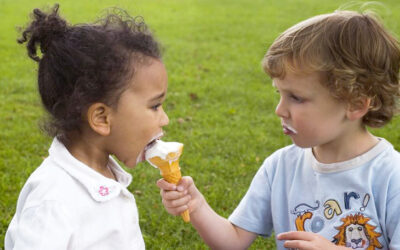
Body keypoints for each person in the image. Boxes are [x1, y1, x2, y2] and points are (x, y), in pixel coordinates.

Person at [157, 10, 400, 249]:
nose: (279, 110)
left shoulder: (391, 176)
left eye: (296, 97)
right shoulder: (280, 168)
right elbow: (232, 240)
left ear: (355, 104)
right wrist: (197, 206)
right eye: (279, 93)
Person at [5, 4, 169, 249]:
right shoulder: (53, 201)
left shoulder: (105, 173)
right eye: (155, 106)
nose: (164, 119)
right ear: (102, 118)